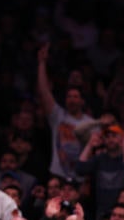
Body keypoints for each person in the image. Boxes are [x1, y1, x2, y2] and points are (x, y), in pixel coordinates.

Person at [37, 43, 94, 181]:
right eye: (69, 96)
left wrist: (88, 180)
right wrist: (41, 63)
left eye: (75, 97)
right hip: (58, 177)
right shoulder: (57, 116)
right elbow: (44, 91)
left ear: (82, 101)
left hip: (80, 178)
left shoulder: (90, 123)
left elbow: (93, 154)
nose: (72, 100)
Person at [75, 123, 124, 219]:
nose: (110, 139)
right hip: (102, 212)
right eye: (107, 137)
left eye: (114, 136)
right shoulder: (99, 159)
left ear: (122, 138)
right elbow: (79, 169)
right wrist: (90, 145)